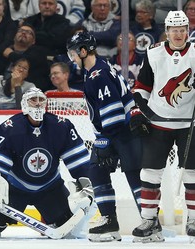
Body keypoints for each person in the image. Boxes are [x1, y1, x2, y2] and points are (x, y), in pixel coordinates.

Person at [130, 10, 195, 242]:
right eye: (174, 30)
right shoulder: (154, 53)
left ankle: (194, 220)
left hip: (192, 122)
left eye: (182, 30)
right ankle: (148, 220)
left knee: (194, 172)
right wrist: (138, 110)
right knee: (150, 171)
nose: (178, 34)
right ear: (166, 31)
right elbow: (142, 87)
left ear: (188, 31)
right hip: (159, 120)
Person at [0, 87, 94, 238]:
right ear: (24, 104)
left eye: (41, 100)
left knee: (67, 227)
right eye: (33, 100)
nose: (38, 104)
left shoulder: (60, 126)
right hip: (15, 189)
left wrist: (87, 184)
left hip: (50, 188)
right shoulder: (9, 129)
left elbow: (79, 161)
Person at [67, 31, 142, 242]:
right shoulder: (97, 69)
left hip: (123, 132)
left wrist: (105, 142)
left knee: (133, 176)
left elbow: (113, 112)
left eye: (73, 53)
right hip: (121, 131)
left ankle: (149, 221)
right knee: (97, 171)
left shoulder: (97, 74)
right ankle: (109, 221)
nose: (72, 58)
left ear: (83, 51)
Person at [1, 23, 51, 92]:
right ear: (14, 36)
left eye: (29, 33)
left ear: (33, 41)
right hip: (2, 90)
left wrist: (10, 54)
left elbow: (27, 61)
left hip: (28, 92)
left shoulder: (39, 52)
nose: (23, 33)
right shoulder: (5, 51)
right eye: (20, 31)